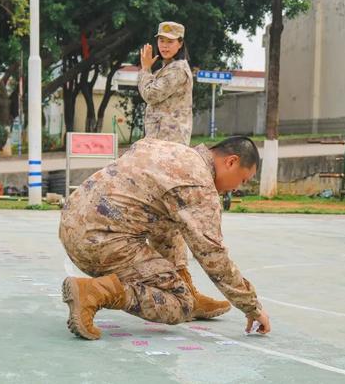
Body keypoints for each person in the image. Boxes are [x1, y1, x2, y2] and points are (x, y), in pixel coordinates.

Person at [59, 136, 271, 340]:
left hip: (72, 223)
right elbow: (213, 255)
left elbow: (165, 228)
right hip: (102, 242)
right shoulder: (200, 187)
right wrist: (251, 307)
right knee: (181, 303)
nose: (237, 188)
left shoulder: (169, 150)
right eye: (243, 180)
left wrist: (179, 277)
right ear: (231, 161)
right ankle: (95, 292)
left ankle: (184, 289)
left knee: (169, 224)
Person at [138, 21, 231, 320]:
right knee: (162, 219)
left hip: (170, 153)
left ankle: (185, 292)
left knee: (172, 219)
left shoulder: (178, 70)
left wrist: (143, 70)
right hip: (159, 151)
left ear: (180, 45)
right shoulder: (167, 70)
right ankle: (180, 290)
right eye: (161, 40)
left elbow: (150, 94)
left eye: (171, 41)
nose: (165, 45)